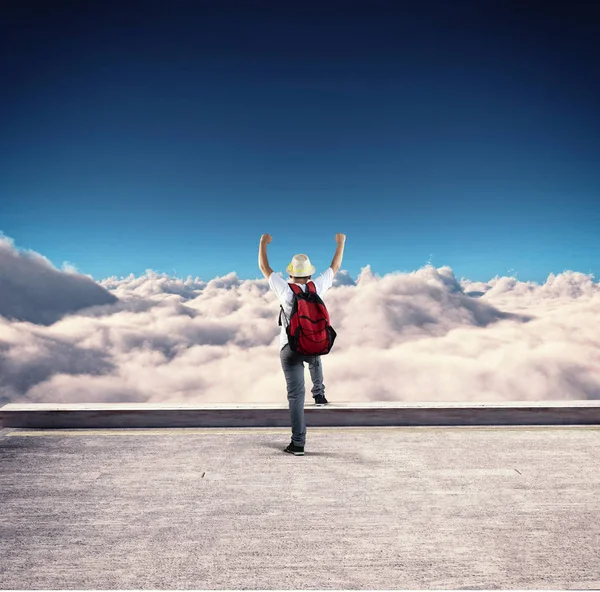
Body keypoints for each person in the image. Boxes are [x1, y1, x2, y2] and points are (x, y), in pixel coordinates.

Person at [258, 233, 346, 455]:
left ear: (290, 272)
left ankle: (298, 443)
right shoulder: (318, 286)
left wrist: (263, 243)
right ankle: (319, 394)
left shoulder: (285, 289)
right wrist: (340, 242)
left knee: (296, 396)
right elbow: (335, 266)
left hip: (289, 348)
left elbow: (264, 268)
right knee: (314, 349)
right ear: (309, 273)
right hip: (312, 344)